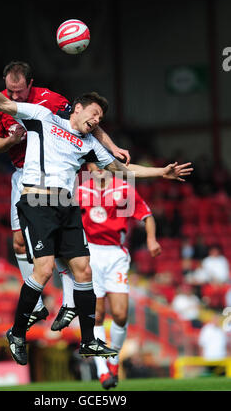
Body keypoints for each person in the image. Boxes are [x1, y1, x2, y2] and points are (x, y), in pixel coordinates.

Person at [0, 76, 193, 366]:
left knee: (83, 269)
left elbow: (121, 168)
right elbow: (5, 103)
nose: (96, 120)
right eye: (93, 113)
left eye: (100, 118)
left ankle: (89, 340)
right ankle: (17, 333)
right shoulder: (45, 117)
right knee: (43, 270)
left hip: (66, 205)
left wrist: (162, 173)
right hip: (37, 201)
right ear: (77, 108)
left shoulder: (90, 143)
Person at [0, 61, 131, 328]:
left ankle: (70, 301)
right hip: (24, 176)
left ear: (31, 84)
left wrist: (112, 147)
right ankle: (38, 307)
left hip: (57, 177)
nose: (14, 96)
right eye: (9, 91)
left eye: (19, 91)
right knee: (18, 243)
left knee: (62, 245)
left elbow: (89, 124)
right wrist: (11, 141)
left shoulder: (51, 101)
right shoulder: (0, 103)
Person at [75, 163, 161, 389]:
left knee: (121, 315)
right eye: (93, 164)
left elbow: (147, 215)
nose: (98, 168)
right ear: (88, 168)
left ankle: (113, 361)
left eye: (102, 164)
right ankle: (103, 371)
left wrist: (151, 239)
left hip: (116, 256)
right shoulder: (80, 191)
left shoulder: (123, 189)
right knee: (96, 315)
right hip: (90, 254)